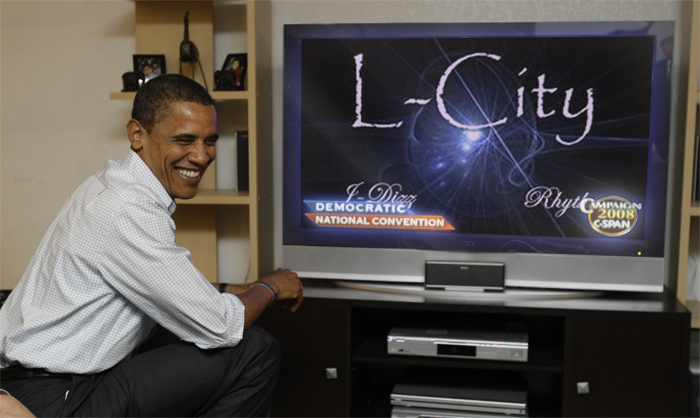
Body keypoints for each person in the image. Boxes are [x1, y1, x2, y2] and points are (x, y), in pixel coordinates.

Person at [0, 74, 303, 417]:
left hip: (37, 381)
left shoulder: (112, 183)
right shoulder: (130, 208)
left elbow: (159, 284)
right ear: (137, 135)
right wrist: (271, 287)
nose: (202, 156)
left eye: (209, 141)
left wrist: (236, 289)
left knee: (181, 328)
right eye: (184, 140)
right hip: (59, 398)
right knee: (253, 350)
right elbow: (221, 325)